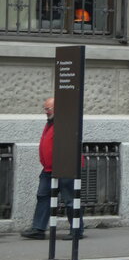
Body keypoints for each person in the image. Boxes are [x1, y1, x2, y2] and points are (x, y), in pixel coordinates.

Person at [20, 97, 83, 240]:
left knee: (70, 200)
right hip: (49, 169)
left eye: (48, 109)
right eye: (45, 108)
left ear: (57, 109)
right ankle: (38, 229)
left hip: (66, 167)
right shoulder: (50, 123)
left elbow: (69, 145)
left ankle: (77, 230)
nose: (46, 112)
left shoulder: (66, 122)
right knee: (43, 197)